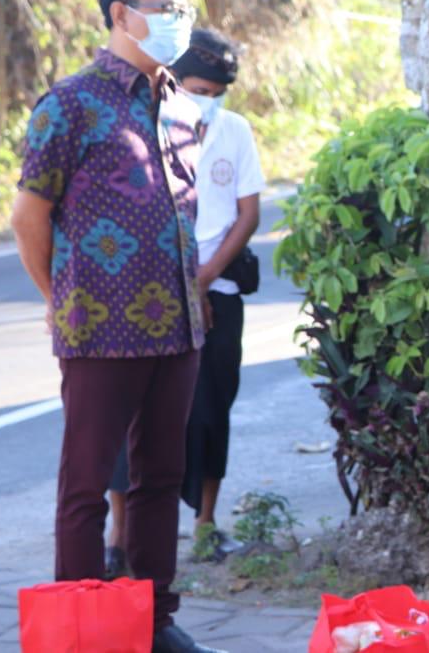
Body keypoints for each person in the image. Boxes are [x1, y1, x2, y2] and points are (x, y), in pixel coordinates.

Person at [11, 0, 221, 653]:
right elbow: (29, 217)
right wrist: (59, 299)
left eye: (184, 8)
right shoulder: (70, 105)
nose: (179, 19)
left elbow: (184, 217)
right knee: (87, 483)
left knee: (162, 478)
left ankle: (153, 621)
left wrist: (196, 298)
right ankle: (80, 628)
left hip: (178, 328)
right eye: (166, 8)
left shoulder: (185, 110)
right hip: (100, 330)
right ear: (121, 15)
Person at [106, 28, 265, 568]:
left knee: (211, 410)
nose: (208, 101)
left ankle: (205, 524)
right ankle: (119, 538)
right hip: (148, 294)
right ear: (175, 80)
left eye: (218, 93)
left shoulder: (234, 131)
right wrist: (176, 284)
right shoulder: (139, 123)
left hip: (218, 288)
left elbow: (247, 213)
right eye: (200, 90)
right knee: (130, 414)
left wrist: (204, 278)